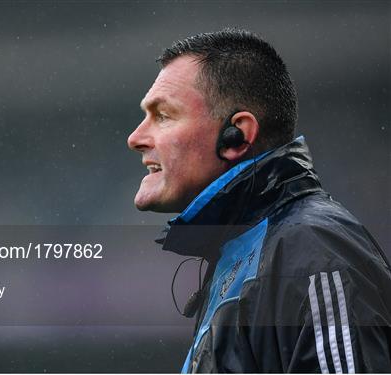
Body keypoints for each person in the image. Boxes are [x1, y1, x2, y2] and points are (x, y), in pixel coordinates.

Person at [127, 29, 391, 373]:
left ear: (236, 136)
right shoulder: (245, 252)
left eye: (163, 116)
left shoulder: (312, 250)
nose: (136, 138)